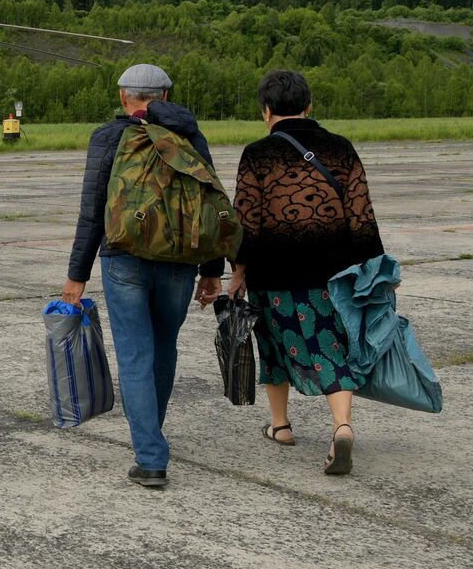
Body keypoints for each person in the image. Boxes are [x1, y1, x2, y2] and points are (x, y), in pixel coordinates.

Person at [61, 63, 224, 488]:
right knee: (163, 346)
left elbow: (92, 209)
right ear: (166, 96)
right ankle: (152, 431)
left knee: (135, 353)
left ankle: (150, 455)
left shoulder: (109, 137)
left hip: (124, 258)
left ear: (123, 97)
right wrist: (212, 269)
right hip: (181, 261)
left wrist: (76, 275)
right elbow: (210, 201)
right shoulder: (190, 134)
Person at [228, 69, 384, 475]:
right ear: (309, 106)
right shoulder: (341, 148)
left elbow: (246, 222)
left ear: (265, 111)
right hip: (333, 275)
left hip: (273, 273)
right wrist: (372, 270)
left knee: (273, 346)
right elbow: (362, 215)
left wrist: (238, 272)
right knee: (329, 346)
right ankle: (341, 425)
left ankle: (281, 426)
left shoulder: (257, 155)